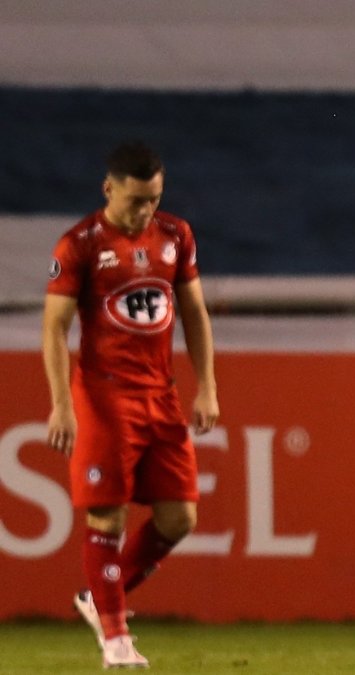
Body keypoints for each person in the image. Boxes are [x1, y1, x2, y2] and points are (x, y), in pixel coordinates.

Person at [42, 141, 219, 669]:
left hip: (160, 393)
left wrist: (206, 385)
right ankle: (117, 640)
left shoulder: (175, 235)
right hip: (104, 394)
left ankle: (97, 598)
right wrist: (61, 404)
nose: (144, 211)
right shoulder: (79, 244)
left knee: (179, 517)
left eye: (153, 199)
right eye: (135, 200)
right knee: (108, 515)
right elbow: (54, 327)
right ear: (109, 189)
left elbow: (194, 313)